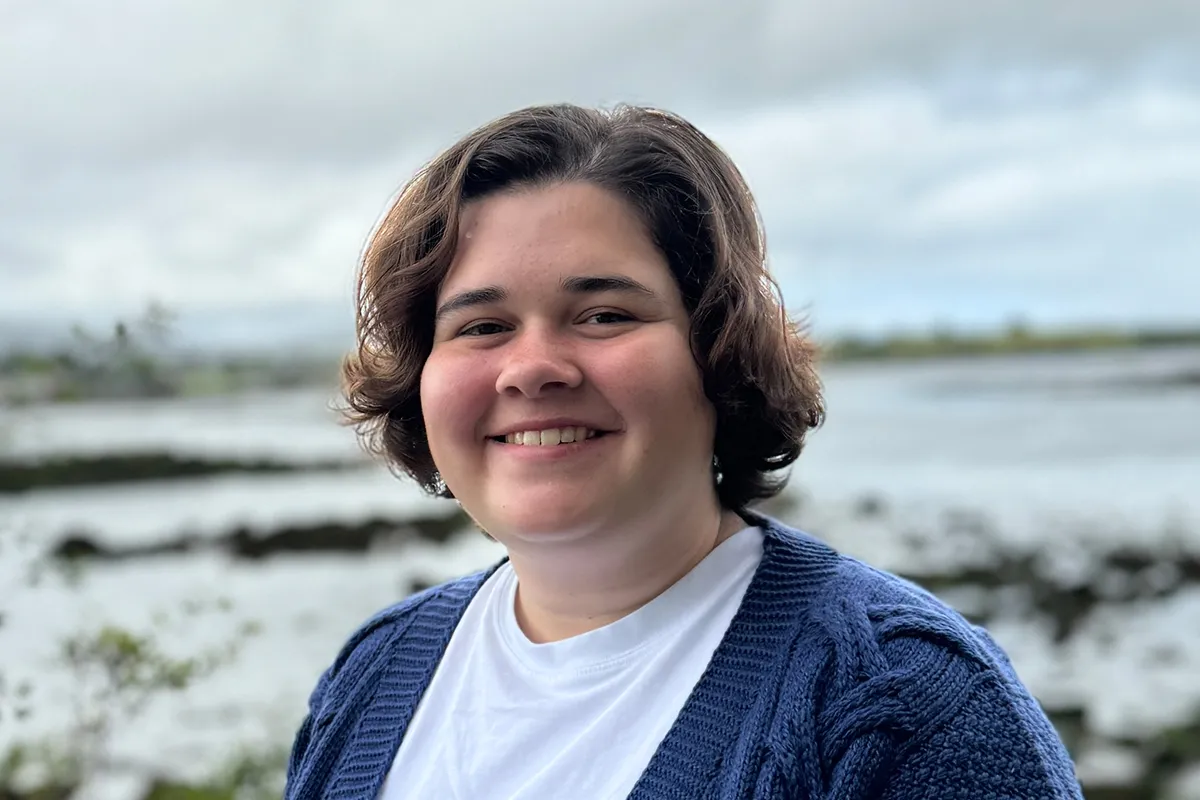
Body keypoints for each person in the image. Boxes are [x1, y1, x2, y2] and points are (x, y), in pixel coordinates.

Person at [283, 103, 1082, 799]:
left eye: (603, 314)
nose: (533, 370)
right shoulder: (376, 673)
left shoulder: (906, 704)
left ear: (718, 347)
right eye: (481, 327)